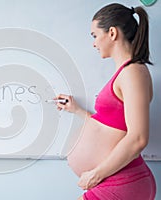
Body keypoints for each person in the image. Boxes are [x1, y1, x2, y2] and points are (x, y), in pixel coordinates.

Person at [55, 3, 156, 200]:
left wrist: (95, 174)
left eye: (94, 35)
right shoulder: (126, 73)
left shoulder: (133, 73)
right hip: (115, 180)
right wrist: (77, 110)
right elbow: (114, 125)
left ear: (111, 33)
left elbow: (138, 138)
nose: (94, 43)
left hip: (122, 181)